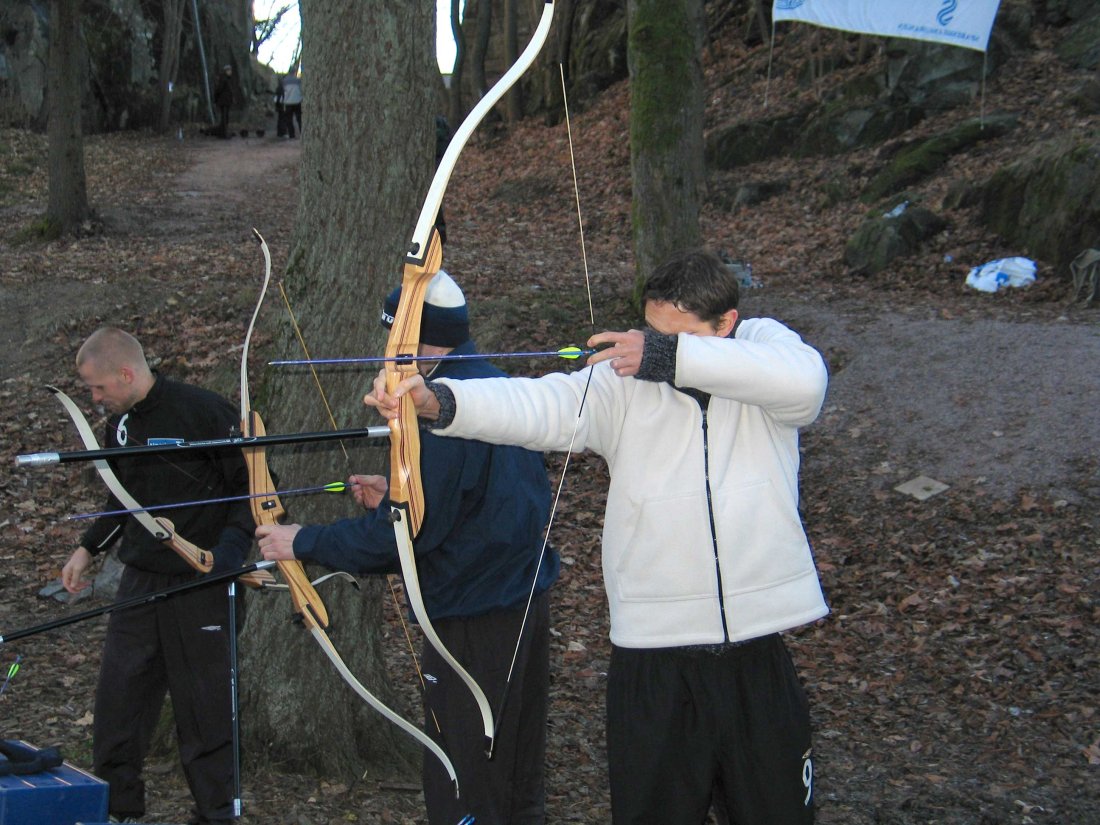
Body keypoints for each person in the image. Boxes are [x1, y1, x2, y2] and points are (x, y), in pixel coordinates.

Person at [368, 248, 830, 824]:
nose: (651, 352)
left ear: (726, 326)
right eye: (651, 333)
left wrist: (667, 355)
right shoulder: (623, 383)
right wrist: (438, 399)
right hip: (653, 662)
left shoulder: (766, 349)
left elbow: (807, 384)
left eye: (676, 339)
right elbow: (544, 404)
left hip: (757, 656)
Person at [256, 271, 559, 825]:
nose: (389, 352)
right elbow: (478, 502)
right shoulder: (492, 387)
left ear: (421, 340)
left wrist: (301, 540)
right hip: (520, 605)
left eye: (397, 340)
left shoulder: (441, 412)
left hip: (474, 618)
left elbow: (403, 538)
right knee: (514, 765)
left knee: (463, 771)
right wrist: (397, 492)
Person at [60, 327, 253, 825]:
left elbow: (249, 492)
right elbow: (119, 498)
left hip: (203, 581)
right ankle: (120, 809)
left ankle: (215, 813)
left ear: (126, 373)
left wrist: (225, 556)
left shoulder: (207, 412)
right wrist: (87, 550)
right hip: (140, 582)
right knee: (118, 702)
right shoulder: (119, 427)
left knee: (205, 709)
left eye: (99, 388)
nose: (95, 398)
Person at [278, 68, 302, 139]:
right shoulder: (298, 80)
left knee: (289, 119)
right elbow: (301, 90)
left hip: (288, 102)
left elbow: (282, 91)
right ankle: (302, 133)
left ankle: (292, 135)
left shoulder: (284, 81)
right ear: (294, 72)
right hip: (297, 101)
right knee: (299, 119)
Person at [213, 64, 234, 139]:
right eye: (229, 70)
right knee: (224, 117)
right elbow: (219, 90)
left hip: (226, 101)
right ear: (226, 71)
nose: (230, 72)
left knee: (225, 117)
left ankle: (224, 133)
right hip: (224, 102)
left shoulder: (227, 79)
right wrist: (217, 99)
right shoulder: (223, 79)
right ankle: (224, 134)